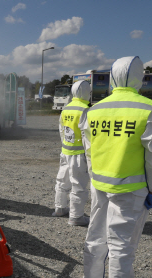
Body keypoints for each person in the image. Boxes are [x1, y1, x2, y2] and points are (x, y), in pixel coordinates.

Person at [78, 56, 152, 278]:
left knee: (95, 236)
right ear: (140, 78)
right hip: (132, 189)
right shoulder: (148, 109)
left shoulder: (94, 110)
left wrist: (96, 178)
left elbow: (89, 150)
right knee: (122, 245)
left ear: (113, 77)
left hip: (100, 185)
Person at [52, 80, 91, 227]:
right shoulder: (85, 109)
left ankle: (60, 208)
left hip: (66, 151)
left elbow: (61, 129)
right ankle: (76, 216)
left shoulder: (66, 108)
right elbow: (87, 135)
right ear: (86, 92)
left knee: (62, 181)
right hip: (79, 154)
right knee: (78, 186)